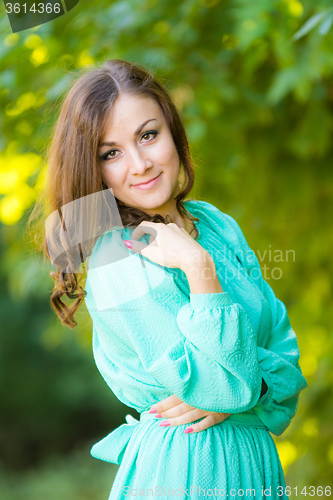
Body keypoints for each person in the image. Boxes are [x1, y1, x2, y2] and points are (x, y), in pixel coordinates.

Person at [30, 59, 308, 499]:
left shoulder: (215, 225)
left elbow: (287, 367)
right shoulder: (116, 259)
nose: (139, 164)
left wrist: (251, 385)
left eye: (148, 135)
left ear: (173, 132)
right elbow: (227, 387)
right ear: (94, 167)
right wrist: (200, 271)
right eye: (111, 153)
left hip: (256, 466)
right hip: (188, 469)